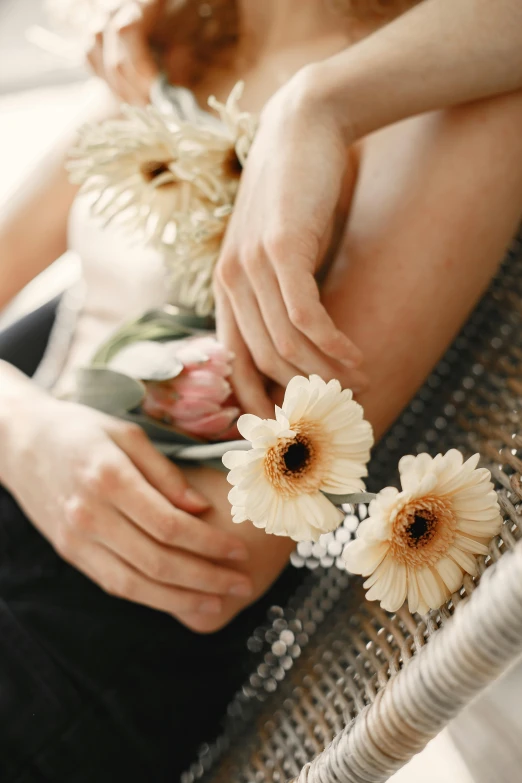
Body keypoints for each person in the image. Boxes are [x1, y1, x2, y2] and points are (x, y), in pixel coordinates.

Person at [0, 0, 522, 779]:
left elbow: (223, 558)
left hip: (76, 641)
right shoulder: (173, 35)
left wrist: (315, 105)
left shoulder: (455, 92)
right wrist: (20, 428)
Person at [87, 0, 522, 416]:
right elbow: (17, 258)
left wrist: (313, 103)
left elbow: (286, 464)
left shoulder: (436, 90)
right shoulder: (163, 46)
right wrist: (27, 422)